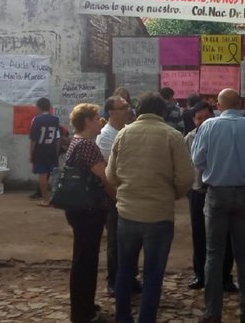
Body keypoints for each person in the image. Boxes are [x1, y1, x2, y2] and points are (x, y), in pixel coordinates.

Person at [106, 93, 194, 323]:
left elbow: (110, 175)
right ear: (163, 112)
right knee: (153, 274)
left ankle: (122, 318)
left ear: (138, 110)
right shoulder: (172, 136)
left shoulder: (123, 134)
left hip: (127, 213)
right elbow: (186, 176)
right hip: (159, 216)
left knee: (125, 270)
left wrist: (127, 188)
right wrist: (172, 194)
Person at [191, 88, 245, 323]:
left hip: (217, 194)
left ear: (218, 104)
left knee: (214, 255)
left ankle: (212, 313)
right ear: (240, 103)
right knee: (244, 254)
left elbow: (197, 160)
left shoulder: (208, 126)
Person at [65, 103, 116, 323]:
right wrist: (116, 198)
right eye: (96, 118)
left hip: (79, 208)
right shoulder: (87, 145)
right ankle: (83, 312)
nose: (99, 121)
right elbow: (104, 177)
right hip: (88, 210)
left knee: (83, 259)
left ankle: (84, 305)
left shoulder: (76, 141)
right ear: (87, 121)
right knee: (86, 262)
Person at [185, 101, 238, 293]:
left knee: (225, 235)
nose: (203, 121)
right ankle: (200, 274)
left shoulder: (224, 136)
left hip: (218, 190)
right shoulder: (189, 138)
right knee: (199, 234)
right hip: (198, 192)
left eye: (207, 117)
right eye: (199, 118)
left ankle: (225, 277)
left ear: (213, 116)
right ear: (193, 120)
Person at [95, 95, 140, 297]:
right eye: (123, 107)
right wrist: (115, 197)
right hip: (114, 196)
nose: (128, 110)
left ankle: (130, 277)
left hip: (129, 195)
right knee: (115, 241)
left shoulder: (127, 131)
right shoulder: (106, 136)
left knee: (132, 240)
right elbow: (107, 173)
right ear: (112, 112)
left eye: (128, 106)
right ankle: (113, 280)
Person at [29, 97, 60, 206]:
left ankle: (46, 199)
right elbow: (57, 138)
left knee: (42, 175)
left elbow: (33, 139)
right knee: (52, 174)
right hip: (51, 149)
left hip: (41, 150)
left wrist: (31, 153)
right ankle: (53, 197)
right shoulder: (55, 119)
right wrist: (56, 151)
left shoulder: (36, 120)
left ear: (39, 108)